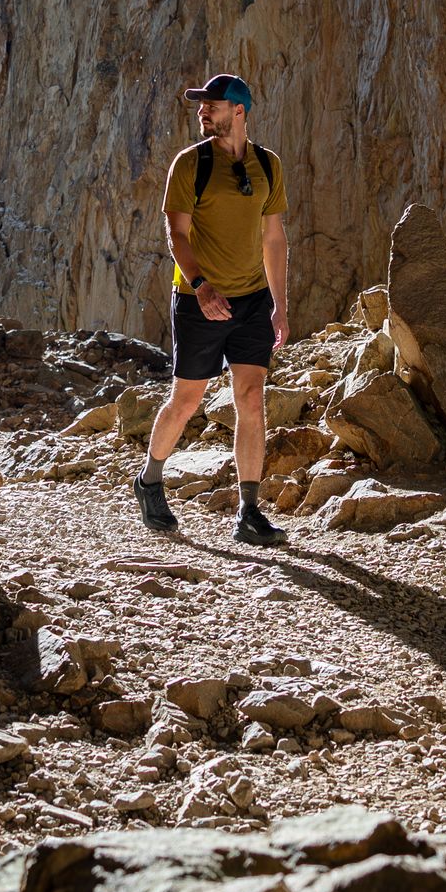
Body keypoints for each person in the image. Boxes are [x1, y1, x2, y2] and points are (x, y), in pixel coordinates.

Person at [134, 71, 290, 546]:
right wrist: (201, 287)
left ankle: (248, 510)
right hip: (198, 300)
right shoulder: (190, 164)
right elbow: (176, 235)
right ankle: (149, 481)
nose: (203, 111)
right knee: (187, 401)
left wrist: (279, 306)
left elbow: (274, 238)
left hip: (252, 302)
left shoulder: (268, 165)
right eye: (201, 105)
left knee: (251, 399)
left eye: (213, 105)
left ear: (239, 110)